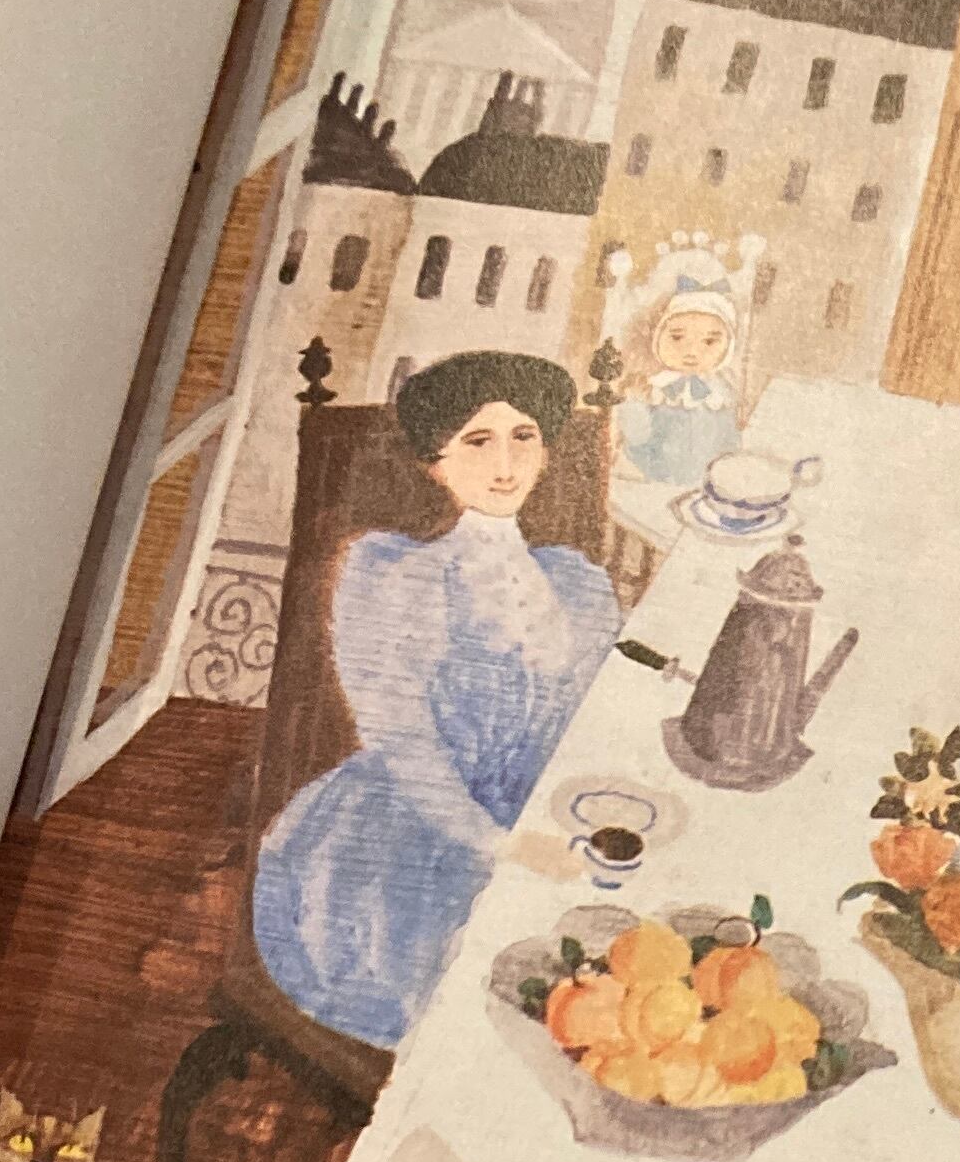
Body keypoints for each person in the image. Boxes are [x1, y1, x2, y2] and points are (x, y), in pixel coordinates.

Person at [253, 351, 620, 1047]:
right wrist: (502, 847)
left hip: (548, 816)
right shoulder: (396, 575)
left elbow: (595, 720)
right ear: (436, 463)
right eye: (478, 441)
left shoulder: (578, 584)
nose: (505, 464)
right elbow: (404, 744)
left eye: (524, 436)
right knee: (486, 1009)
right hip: (413, 833)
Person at [610, 271, 744, 490]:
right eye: (677, 337)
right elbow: (637, 439)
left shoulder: (721, 394)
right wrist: (633, 403)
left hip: (705, 486)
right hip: (651, 481)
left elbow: (729, 440)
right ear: (658, 338)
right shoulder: (654, 388)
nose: (691, 351)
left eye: (709, 341)